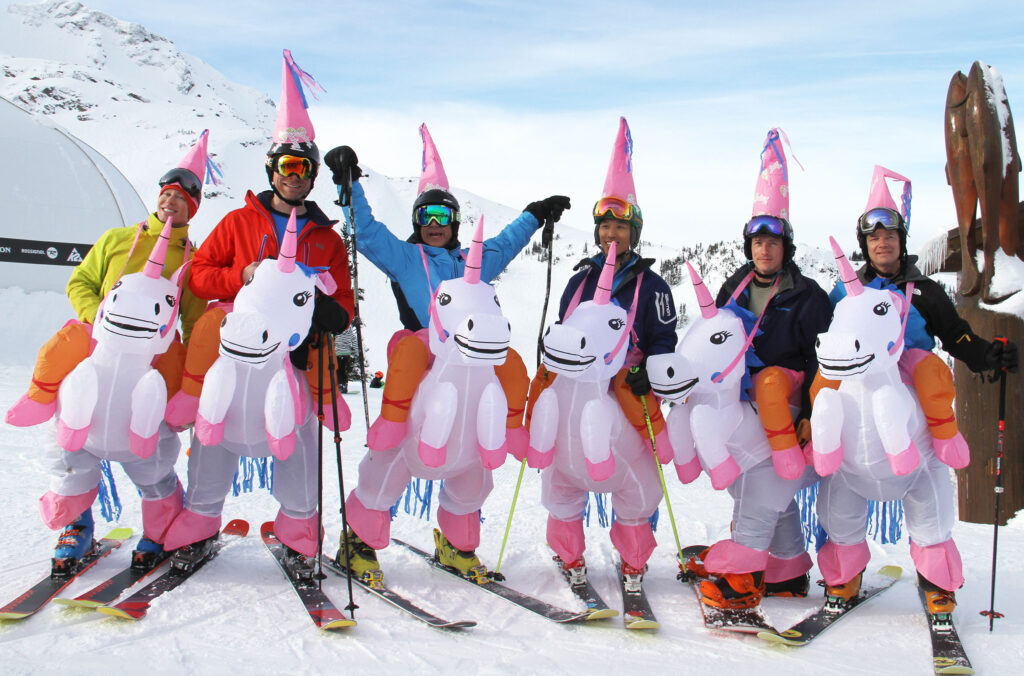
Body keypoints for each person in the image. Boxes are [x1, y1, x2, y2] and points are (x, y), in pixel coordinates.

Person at [322, 125, 567, 582]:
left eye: (442, 216)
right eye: (425, 216)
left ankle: (457, 543)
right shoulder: (405, 257)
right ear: (417, 222)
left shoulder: (471, 262)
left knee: (473, 457)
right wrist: (348, 184)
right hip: (420, 361)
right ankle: (356, 539)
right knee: (394, 454)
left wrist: (534, 214)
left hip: (471, 369)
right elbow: (368, 234)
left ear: (454, 222)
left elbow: (506, 243)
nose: (433, 225)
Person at [161, 51, 354, 567]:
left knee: (300, 442)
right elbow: (197, 274)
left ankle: (298, 530)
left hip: (294, 362)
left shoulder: (325, 238)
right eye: (287, 167)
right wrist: (240, 277)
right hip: (233, 356)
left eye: (303, 168)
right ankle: (200, 520)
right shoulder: (239, 223)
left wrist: (323, 313)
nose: (295, 176)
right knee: (214, 434)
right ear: (272, 170)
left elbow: (343, 304)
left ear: (313, 176)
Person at [813, 165, 1018, 614]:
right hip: (855, 396)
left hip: (912, 403)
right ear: (864, 245)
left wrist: (986, 355)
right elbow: (826, 344)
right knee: (841, 485)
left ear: (901, 240)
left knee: (927, 491)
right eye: (873, 237)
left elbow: (955, 335)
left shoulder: (924, 290)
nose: (882, 243)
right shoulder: (844, 292)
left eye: (889, 235)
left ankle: (936, 581)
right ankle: (843, 576)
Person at [5, 131, 214, 568]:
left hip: (150, 373)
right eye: (166, 194)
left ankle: (158, 531)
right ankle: (76, 526)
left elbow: (192, 323)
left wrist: (190, 382)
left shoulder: (194, 260)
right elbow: (79, 282)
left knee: (149, 451)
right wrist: (96, 320)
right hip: (96, 359)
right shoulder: (118, 239)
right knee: (73, 443)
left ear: (192, 208)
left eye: (181, 198)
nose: (170, 202)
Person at [527, 117, 677, 589]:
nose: (612, 234)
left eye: (621, 226)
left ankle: (634, 560)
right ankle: (569, 556)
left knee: (636, 478)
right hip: (576, 388)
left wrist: (647, 376)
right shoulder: (579, 278)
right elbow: (564, 330)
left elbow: (664, 343)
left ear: (634, 232)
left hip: (624, 390)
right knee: (563, 473)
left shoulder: (651, 286)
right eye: (606, 225)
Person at [695, 128, 832, 609]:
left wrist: (811, 414)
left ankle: (744, 574)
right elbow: (713, 341)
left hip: (787, 406)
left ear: (785, 246)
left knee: (761, 485)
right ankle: (789, 567)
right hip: (744, 403)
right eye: (756, 240)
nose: (764, 249)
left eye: (773, 241)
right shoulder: (734, 286)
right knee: (764, 489)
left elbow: (822, 362)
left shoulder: (809, 296)